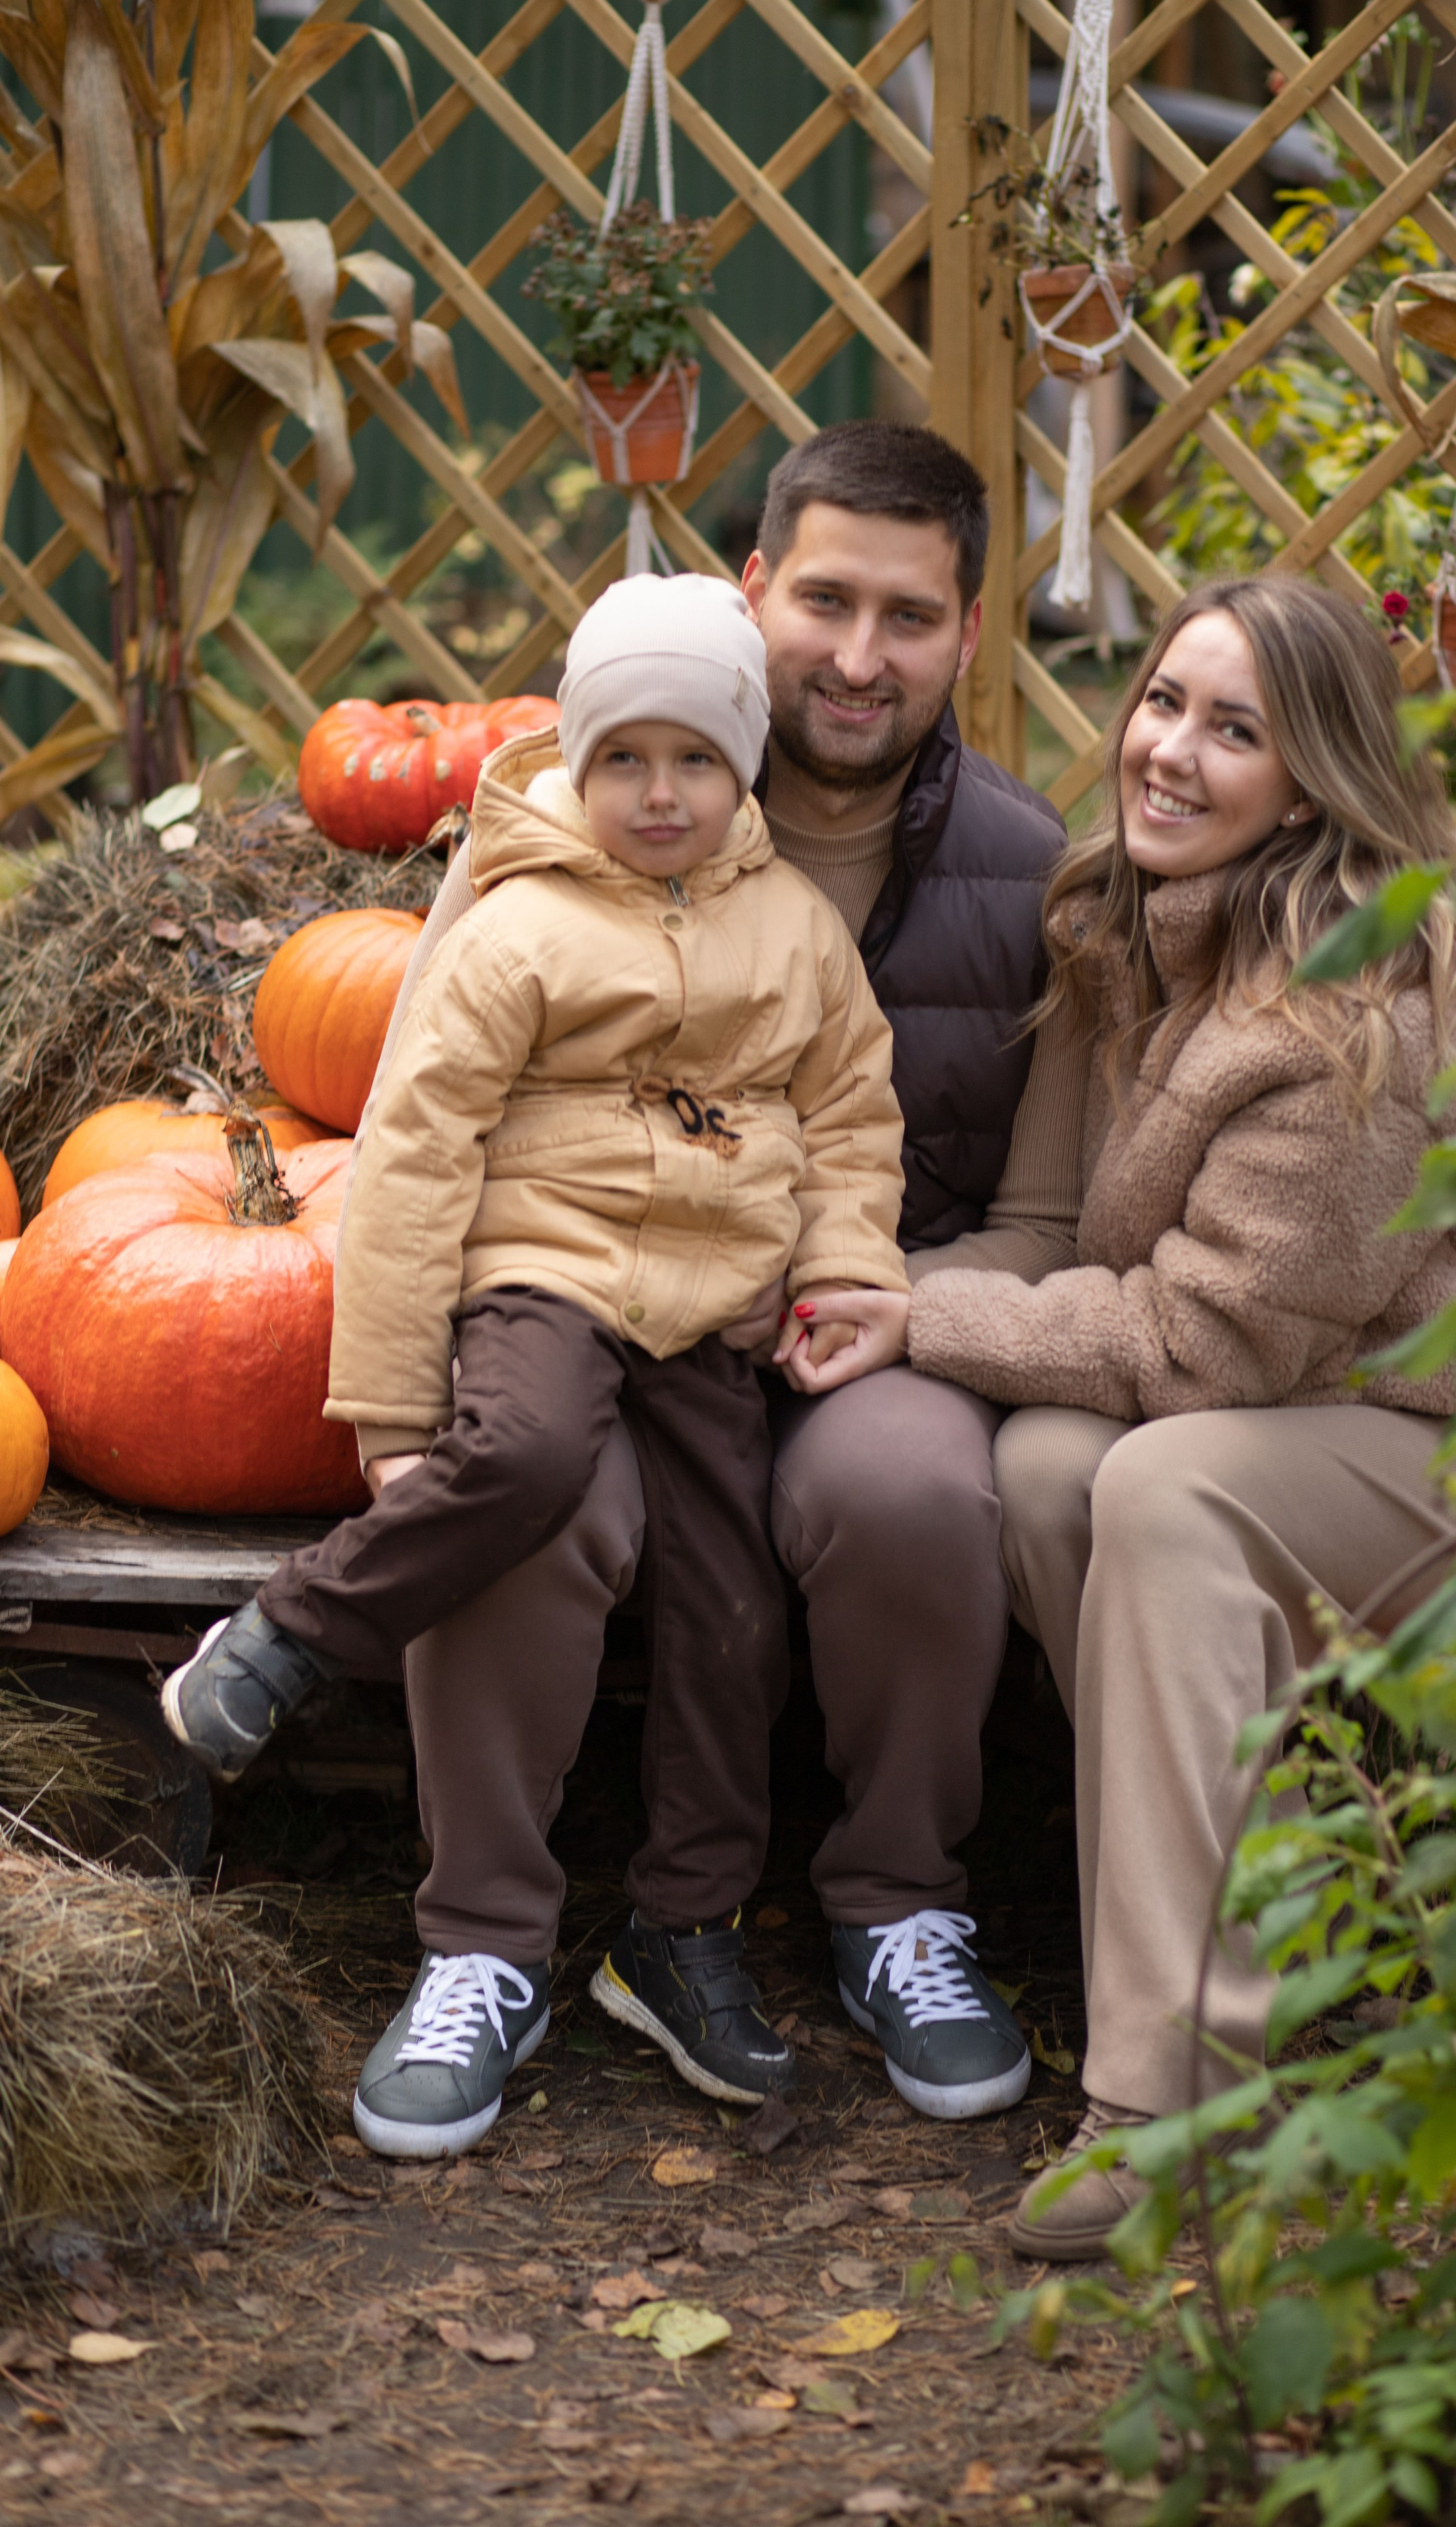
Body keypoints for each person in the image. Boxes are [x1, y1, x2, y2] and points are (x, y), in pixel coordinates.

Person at [783, 573, 1456, 2254]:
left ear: (1308, 787)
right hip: (1293, 1404)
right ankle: (1278, 1915)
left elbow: (1205, 1346)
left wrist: (924, 1320)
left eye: (1235, 731)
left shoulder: (1350, 1014)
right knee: (1049, 1467)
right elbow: (1056, 1237)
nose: (1169, 750)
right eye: (1163, 702)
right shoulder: (1128, 926)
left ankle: (1168, 2102)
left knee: (1157, 1487)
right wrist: (859, 1284)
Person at [336, 422, 1074, 2134]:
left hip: (852, 1323)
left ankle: (896, 1906)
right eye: (824, 600)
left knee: (911, 1487)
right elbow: (412, 1129)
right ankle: (484, 1942)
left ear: (970, 634)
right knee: (520, 1488)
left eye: (909, 616)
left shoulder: (1027, 877)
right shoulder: (560, 822)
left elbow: (1043, 1219)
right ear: (752, 594)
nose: (858, 654)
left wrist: (869, 1302)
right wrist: (394, 1388)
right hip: (583, 1307)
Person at [163, 571, 911, 2156]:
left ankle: (682, 1930)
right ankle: (294, 1635)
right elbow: (411, 1156)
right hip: (541, 1275)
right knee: (519, 1456)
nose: (661, 792)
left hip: (710, 1307)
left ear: (743, 766)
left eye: (695, 759)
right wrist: (387, 1405)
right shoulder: (516, 925)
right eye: (623, 757)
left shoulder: (793, 930)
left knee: (731, 1614)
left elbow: (851, 1115)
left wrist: (843, 1263)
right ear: (575, 757)